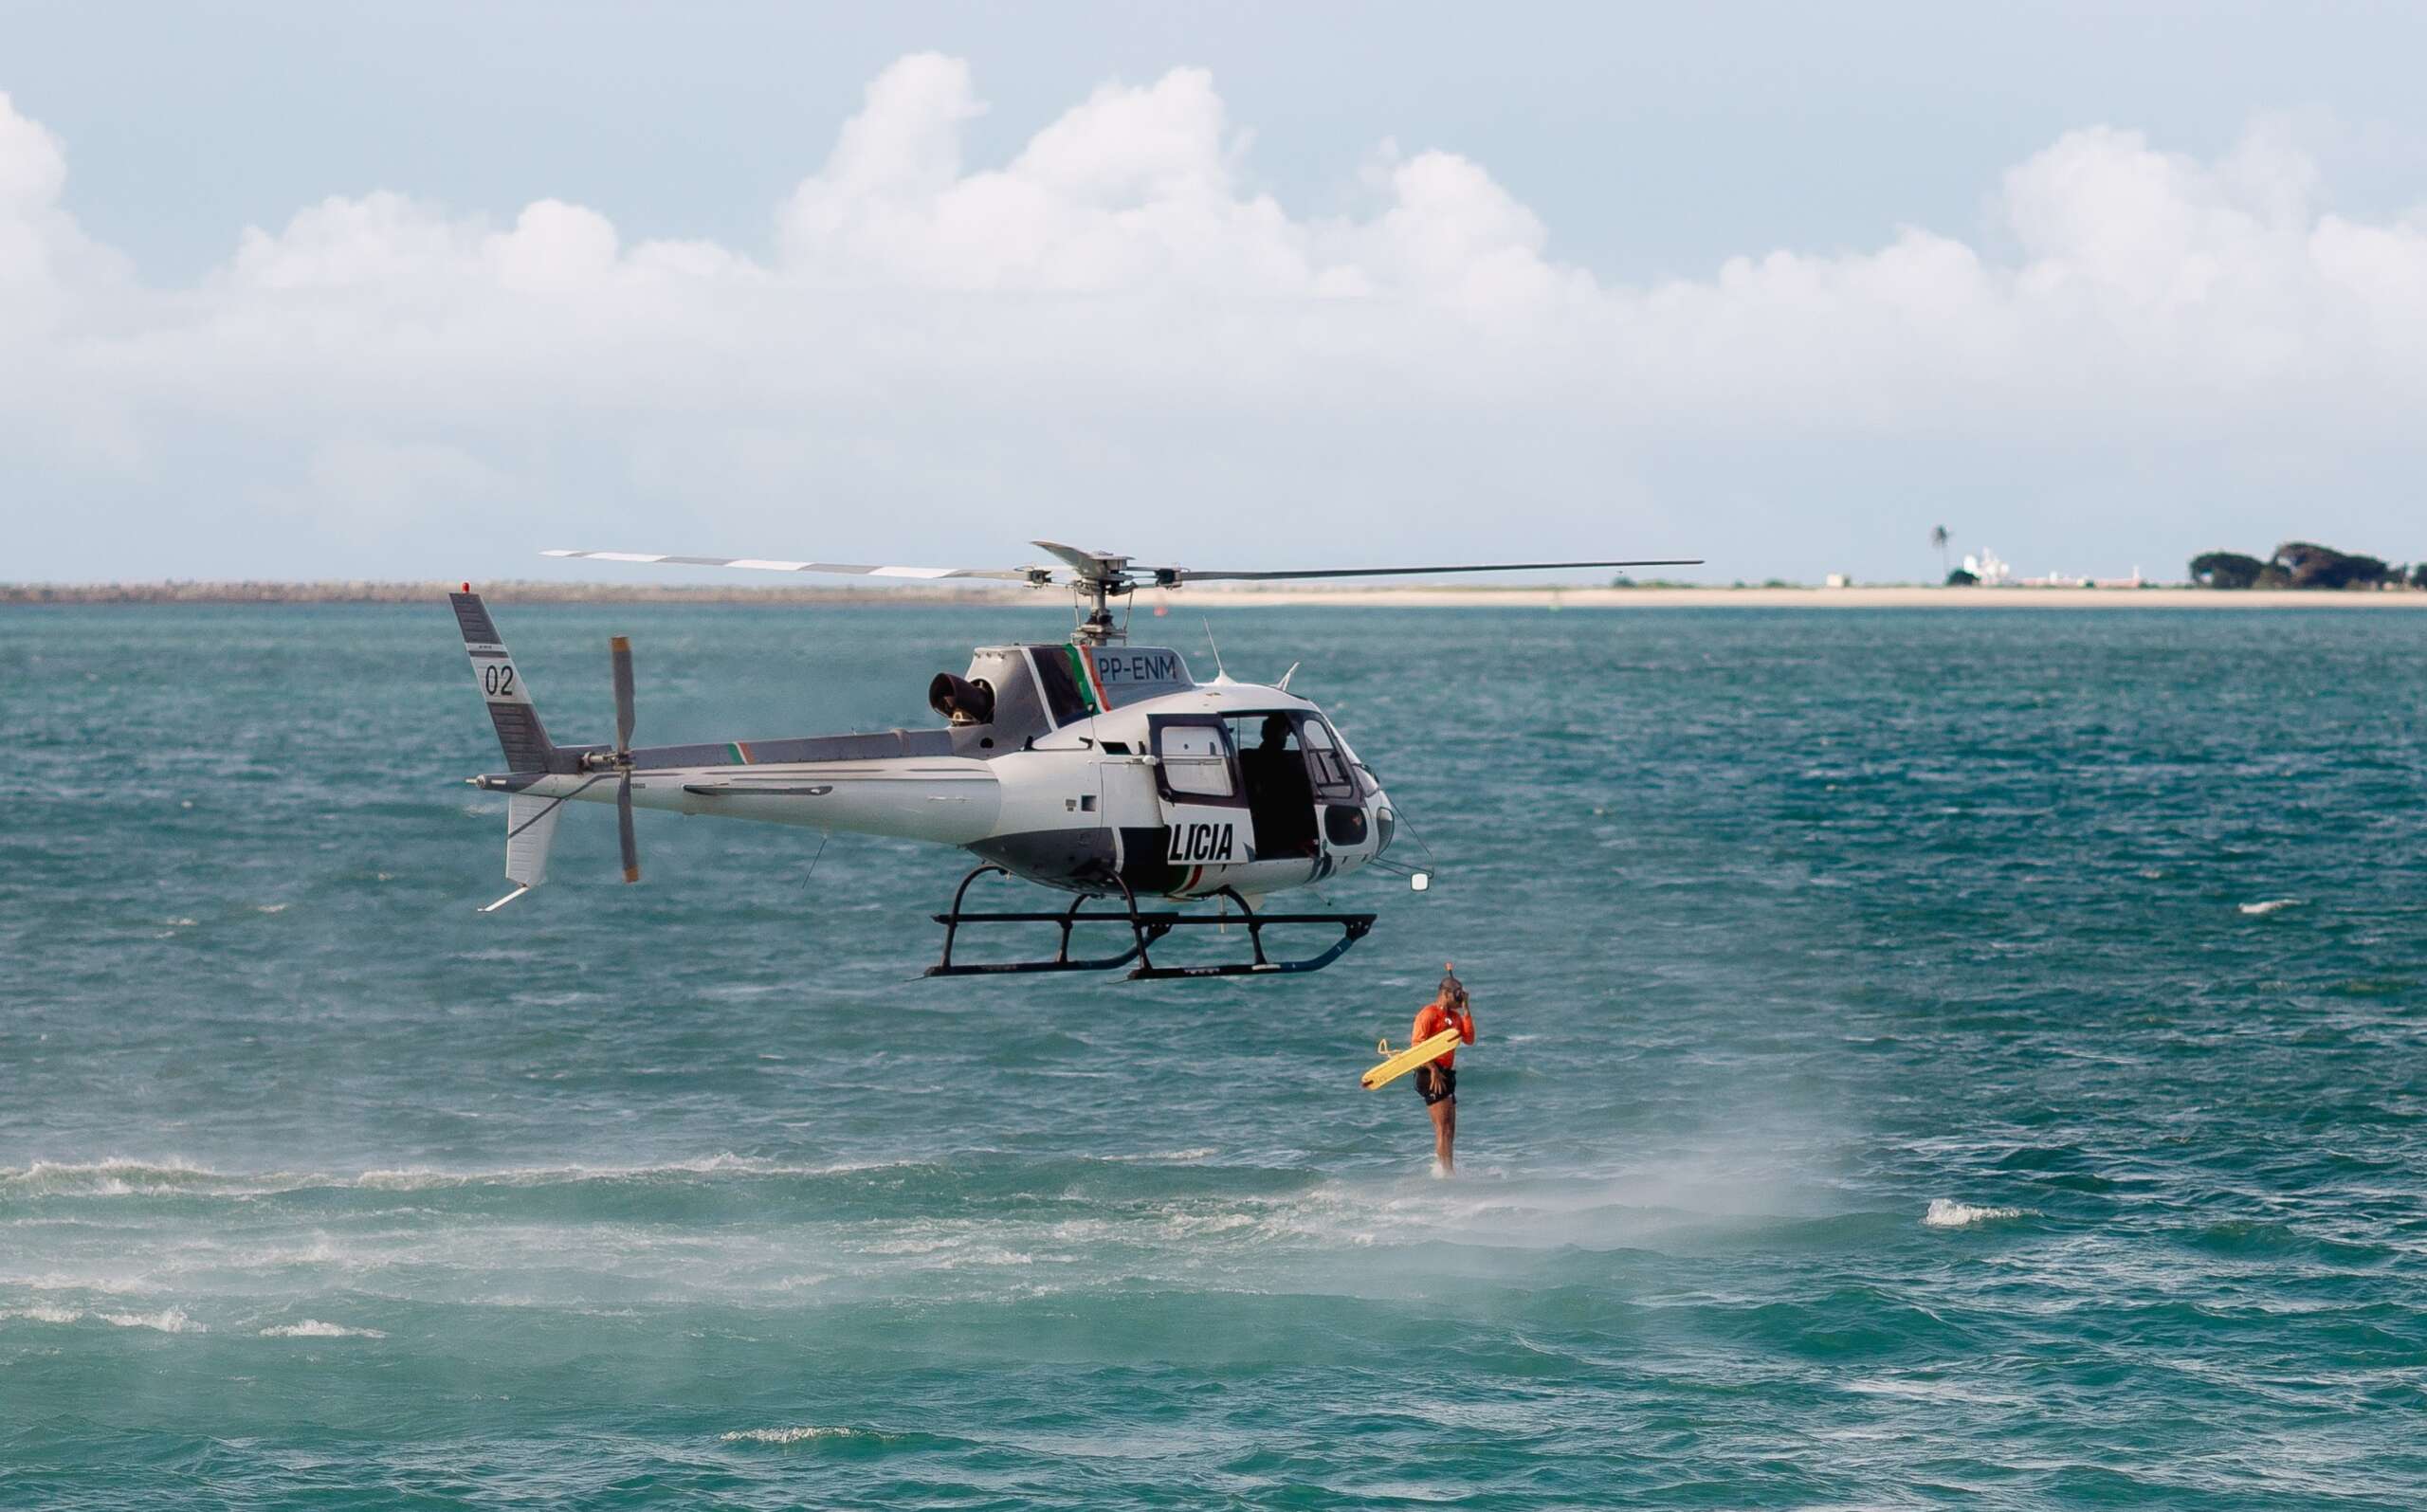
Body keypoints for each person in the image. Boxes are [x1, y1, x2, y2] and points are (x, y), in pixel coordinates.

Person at [1410, 970, 1477, 1174]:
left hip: (1447, 1074)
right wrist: (1432, 1070)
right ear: (1445, 993)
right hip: (1429, 1073)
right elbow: (1416, 1046)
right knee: (1442, 1128)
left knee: (1450, 1130)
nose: (1460, 997)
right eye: (1457, 994)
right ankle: (1446, 1173)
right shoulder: (1428, 1014)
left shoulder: (1455, 1017)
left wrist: (1466, 1010)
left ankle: (1448, 1170)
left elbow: (1469, 1039)